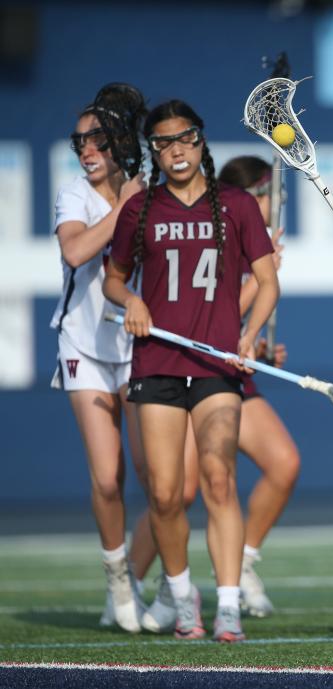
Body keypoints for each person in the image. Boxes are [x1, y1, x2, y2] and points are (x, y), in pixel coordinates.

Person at [103, 100, 279, 642]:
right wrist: (129, 299)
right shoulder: (140, 210)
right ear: (153, 150)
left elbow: (268, 281)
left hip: (214, 365)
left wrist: (249, 336)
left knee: (219, 479)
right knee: (162, 493)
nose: (175, 150)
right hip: (156, 362)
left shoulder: (235, 206)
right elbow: (113, 278)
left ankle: (228, 603)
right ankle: (183, 596)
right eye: (163, 143)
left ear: (201, 141)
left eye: (184, 139)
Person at [134, 156, 300, 630]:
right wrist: (257, 279)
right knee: (176, 492)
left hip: (226, 374)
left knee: (281, 464)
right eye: (270, 194)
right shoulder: (220, 231)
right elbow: (220, 310)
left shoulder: (256, 241)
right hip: (184, 368)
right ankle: (136, 582)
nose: (274, 203)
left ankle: (240, 563)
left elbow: (237, 325)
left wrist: (260, 348)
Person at [51, 84, 147, 633]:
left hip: (139, 347)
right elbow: (76, 250)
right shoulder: (74, 195)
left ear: (119, 143)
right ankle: (117, 581)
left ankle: (140, 578)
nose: (86, 150)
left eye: (96, 140)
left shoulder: (148, 191)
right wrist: (128, 205)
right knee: (108, 479)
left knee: (162, 482)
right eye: (79, 141)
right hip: (83, 346)